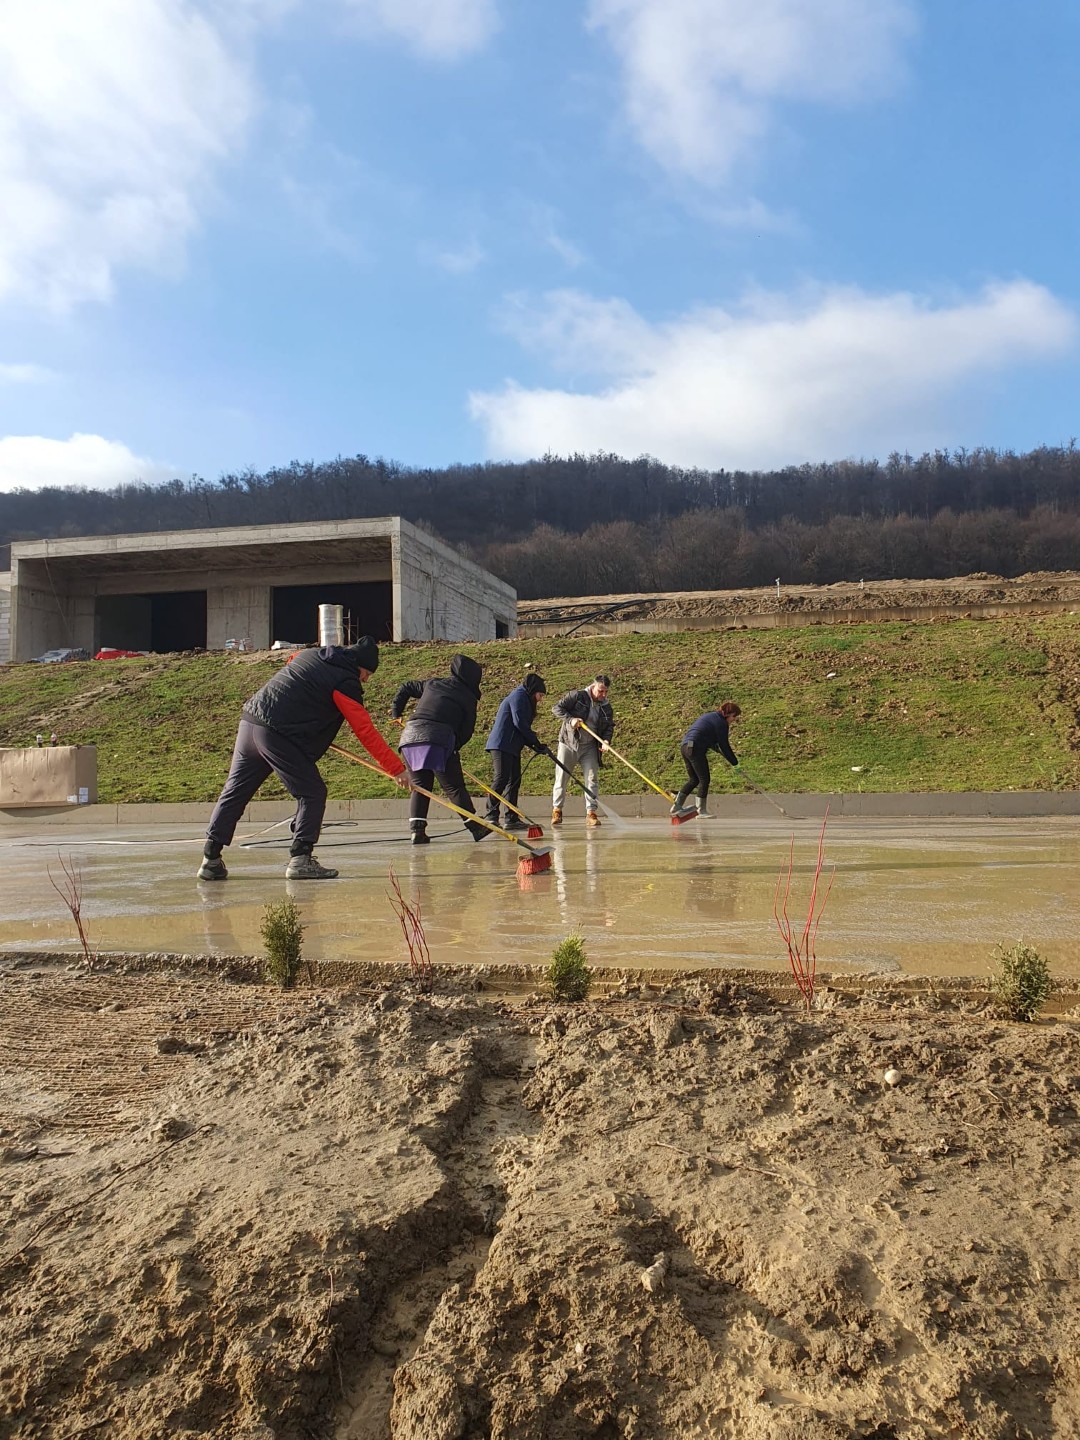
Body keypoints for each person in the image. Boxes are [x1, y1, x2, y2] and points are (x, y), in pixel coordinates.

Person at [198, 636, 408, 881]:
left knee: (236, 791)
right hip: (277, 734)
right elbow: (365, 731)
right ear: (359, 666)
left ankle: (210, 859)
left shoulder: (310, 655)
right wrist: (396, 769)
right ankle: (301, 858)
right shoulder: (345, 681)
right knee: (312, 792)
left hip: (250, 723)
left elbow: (293, 663)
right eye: (367, 674)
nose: (366, 680)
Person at [391, 654, 488, 846]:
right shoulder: (468, 697)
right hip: (439, 738)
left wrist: (396, 712)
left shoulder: (433, 683)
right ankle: (475, 827)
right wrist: (454, 747)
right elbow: (467, 730)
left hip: (410, 737)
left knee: (420, 785)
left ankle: (417, 832)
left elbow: (406, 687)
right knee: (454, 787)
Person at [484, 672, 550, 830]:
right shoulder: (518, 696)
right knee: (501, 778)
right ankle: (491, 815)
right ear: (533, 690)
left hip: (512, 746)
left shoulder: (525, 698)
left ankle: (511, 818)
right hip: (501, 744)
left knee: (514, 781)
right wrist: (535, 742)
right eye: (540, 695)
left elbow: (522, 729)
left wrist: (537, 746)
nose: (540, 699)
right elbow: (520, 724)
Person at [550, 675, 613, 828]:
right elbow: (557, 708)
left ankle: (591, 813)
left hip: (589, 747)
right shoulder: (577, 696)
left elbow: (609, 726)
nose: (603, 695)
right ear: (593, 686)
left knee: (592, 778)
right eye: (600, 691)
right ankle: (557, 810)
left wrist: (606, 741)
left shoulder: (606, 707)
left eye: (606, 692)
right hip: (569, 743)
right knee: (562, 777)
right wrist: (570, 719)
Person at [671, 702, 741, 818]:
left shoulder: (711, 717)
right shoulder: (721, 723)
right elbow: (724, 745)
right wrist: (735, 763)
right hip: (695, 748)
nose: (734, 719)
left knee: (694, 779)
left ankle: (677, 806)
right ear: (728, 714)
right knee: (704, 779)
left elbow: (710, 740)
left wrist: (717, 748)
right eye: (734, 716)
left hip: (685, 747)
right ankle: (701, 811)